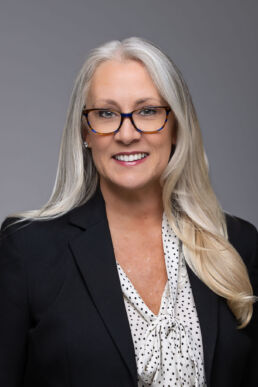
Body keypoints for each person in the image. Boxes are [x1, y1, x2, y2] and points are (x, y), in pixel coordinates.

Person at [0, 37, 257, 387]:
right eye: (105, 114)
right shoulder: (28, 250)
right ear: (85, 132)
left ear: (176, 126)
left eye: (148, 111)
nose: (127, 133)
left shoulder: (237, 244)